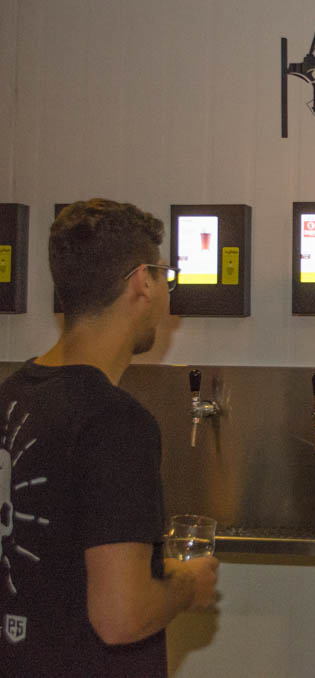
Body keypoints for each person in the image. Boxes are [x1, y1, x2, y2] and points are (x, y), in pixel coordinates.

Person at [0, 199, 218, 677]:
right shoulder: (117, 423)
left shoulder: (12, 396)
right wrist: (188, 584)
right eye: (165, 277)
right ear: (143, 282)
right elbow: (121, 617)